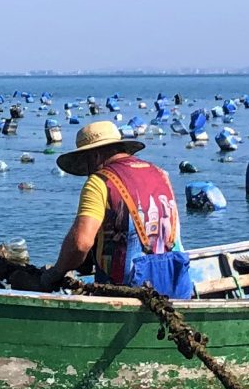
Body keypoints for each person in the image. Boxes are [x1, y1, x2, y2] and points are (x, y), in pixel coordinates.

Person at [45, 118, 186, 293]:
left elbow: (81, 243)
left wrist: (56, 272)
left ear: (95, 156)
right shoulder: (161, 174)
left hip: (126, 293)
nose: (87, 171)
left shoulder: (99, 182)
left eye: (85, 162)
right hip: (177, 285)